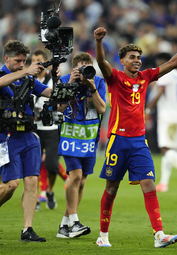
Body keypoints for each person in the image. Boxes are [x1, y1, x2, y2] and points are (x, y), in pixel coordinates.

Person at [94, 26, 177, 248]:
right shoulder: (114, 78)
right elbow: (101, 62)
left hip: (139, 141)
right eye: (132, 57)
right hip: (118, 140)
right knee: (111, 189)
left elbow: (173, 63)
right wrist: (98, 42)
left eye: (139, 57)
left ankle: (159, 234)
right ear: (122, 61)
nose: (137, 61)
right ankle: (103, 235)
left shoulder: (146, 77)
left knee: (150, 185)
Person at [0, 40, 52, 242]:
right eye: (18, 61)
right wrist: (27, 71)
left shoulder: (28, 79)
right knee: (11, 185)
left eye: (24, 61)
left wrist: (65, 86)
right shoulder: (6, 75)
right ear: (7, 58)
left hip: (29, 136)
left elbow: (48, 92)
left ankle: (27, 230)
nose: (22, 64)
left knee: (32, 181)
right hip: (6, 136)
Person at [56, 52, 106, 239]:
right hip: (70, 135)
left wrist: (91, 86)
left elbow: (101, 109)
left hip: (89, 137)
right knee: (75, 176)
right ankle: (75, 221)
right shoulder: (63, 80)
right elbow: (59, 108)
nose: (85, 69)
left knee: (82, 182)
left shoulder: (99, 82)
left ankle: (64, 225)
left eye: (88, 65)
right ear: (74, 67)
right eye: (81, 66)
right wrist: (70, 83)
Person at [145, 52, 177, 192]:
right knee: (168, 149)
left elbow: (159, 93)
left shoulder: (165, 75)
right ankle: (164, 184)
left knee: (165, 148)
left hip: (167, 116)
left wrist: (148, 111)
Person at [32, 49, 64, 210]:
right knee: (34, 165)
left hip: (51, 127)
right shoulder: (27, 80)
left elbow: (59, 98)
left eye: (39, 60)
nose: (36, 63)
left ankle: (49, 190)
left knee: (52, 165)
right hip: (34, 128)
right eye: (34, 60)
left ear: (45, 62)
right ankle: (37, 196)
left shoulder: (53, 80)